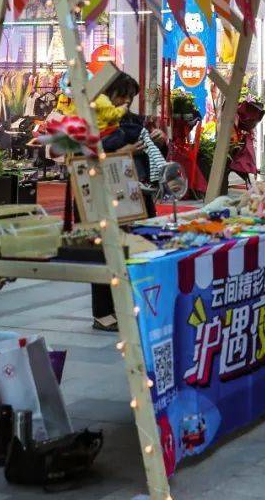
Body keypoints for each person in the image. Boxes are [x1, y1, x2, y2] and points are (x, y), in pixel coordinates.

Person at [91, 71, 164, 332]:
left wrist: (158, 141)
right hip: (106, 194)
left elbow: (153, 152)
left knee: (138, 246)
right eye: (122, 96)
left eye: (130, 97)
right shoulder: (91, 120)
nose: (126, 101)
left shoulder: (133, 121)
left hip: (136, 193)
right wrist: (121, 152)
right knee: (108, 250)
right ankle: (103, 312)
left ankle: (131, 305)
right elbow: (83, 157)